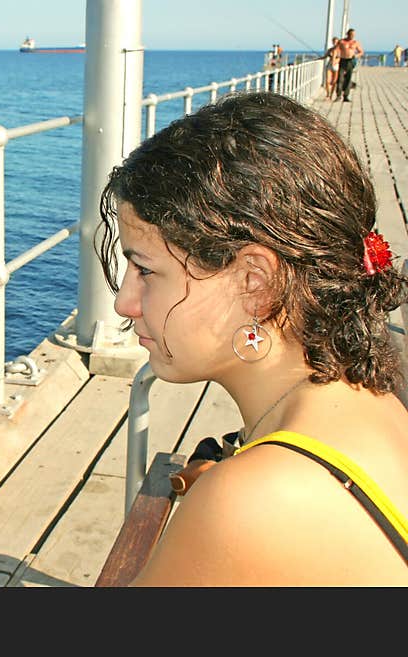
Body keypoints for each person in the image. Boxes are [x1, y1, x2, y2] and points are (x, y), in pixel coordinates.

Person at [96, 92, 408, 585]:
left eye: (145, 270)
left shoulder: (253, 500)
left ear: (254, 282)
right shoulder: (374, 396)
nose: (124, 302)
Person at [336, 28, 364, 101]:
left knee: (348, 78)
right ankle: (338, 95)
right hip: (343, 60)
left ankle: (346, 96)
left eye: (353, 35)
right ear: (347, 34)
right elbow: (336, 49)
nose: (352, 36)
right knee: (340, 78)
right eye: (351, 34)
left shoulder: (355, 42)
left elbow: (361, 52)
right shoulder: (342, 41)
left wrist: (356, 56)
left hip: (350, 61)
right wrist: (335, 56)